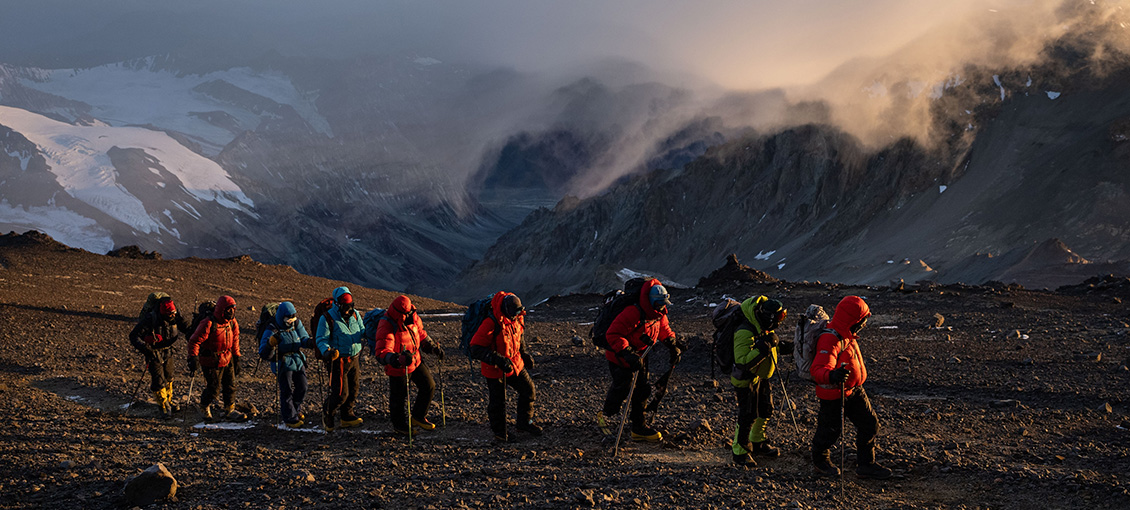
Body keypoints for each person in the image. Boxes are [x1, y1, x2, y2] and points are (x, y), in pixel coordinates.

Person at [809, 295, 892, 479]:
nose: (863, 324)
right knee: (830, 431)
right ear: (852, 319)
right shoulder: (830, 339)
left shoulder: (848, 335)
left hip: (853, 390)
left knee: (869, 424)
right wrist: (832, 375)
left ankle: (866, 465)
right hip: (833, 394)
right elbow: (817, 369)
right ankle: (820, 461)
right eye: (862, 320)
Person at [597, 278, 683, 442]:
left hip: (641, 354)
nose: (662, 307)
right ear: (651, 301)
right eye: (659, 304)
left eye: (663, 304)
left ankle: (639, 426)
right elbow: (613, 334)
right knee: (623, 386)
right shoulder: (633, 312)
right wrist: (627, 352)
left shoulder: (658, 312)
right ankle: (607, 414)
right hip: (619, 356)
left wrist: (672, 343)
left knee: (642, 389)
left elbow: (663, 328)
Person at [469, 291, 541, 441]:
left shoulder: (517, 317)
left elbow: (519, 336)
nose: (515, 316)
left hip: (515, 363)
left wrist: (524, 354)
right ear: (506, 309)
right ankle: (501, 433)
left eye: (517, 312)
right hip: (495, 369)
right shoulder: (491, 322)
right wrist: (497, 359)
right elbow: (475, 347)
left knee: (528, 390)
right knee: (498, 401)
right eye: (513, 313)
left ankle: (524, 423)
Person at [729, 296, 793, 465]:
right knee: (748, 414)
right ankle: (740, 451)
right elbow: (743, 361)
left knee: (765, 409)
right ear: (769, 316)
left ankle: (757, 441)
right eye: (780, 317)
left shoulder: (763, 326)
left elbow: (768, 342)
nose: (781, 321)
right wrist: (763, 348)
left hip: (761, 375)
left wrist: (781, 346)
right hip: (745, 379)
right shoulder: (745, 331)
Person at [373, 295, 444, 435]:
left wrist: (431, 347)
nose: (411, 314)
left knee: (429, 385)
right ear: (400, 313)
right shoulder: (387, 323)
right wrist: (397, 359)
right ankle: (399, 425)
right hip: (399, 367)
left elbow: (420, 333)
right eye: (408, 313)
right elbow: (382, 351)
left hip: (415, 360)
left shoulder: (412, 316)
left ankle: (418, 416)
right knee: (399, 397)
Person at [129, 296, 191, 419]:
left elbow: (186, 328)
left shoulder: (174, 317)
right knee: (158, 380)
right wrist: (145, 348)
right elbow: (133, 336)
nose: (173, 316)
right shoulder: (150, 319)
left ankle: (168, 400)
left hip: (168, 351)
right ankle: (163, 405)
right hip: (153, 352)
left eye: (174, 313)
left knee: (169, 376)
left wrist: (192, 333)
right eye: (171, 314)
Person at [315, 286, 365, 432]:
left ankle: (347, 416)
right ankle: (328, 414)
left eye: (350, 306)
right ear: (337, 304)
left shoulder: (355, 315)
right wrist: (328, 351)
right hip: (338, 360)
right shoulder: (327, 318)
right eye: (345, 306)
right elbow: (321, 339)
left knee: (354, 389)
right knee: (340, 393)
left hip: (354, 357)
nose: (348, 309)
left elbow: (361, 330)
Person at [187, 295, 245, 421]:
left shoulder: (232, 322)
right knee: (214, 387)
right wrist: (193, 357)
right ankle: (204, 406)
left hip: (227, 356)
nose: (232, 312)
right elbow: (194, 341)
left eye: (233, 309)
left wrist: (236, 357)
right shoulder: (208, 323)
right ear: (222, 309)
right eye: (229, 309)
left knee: (230, 384)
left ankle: (229, 409)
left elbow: (235, 339)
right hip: (210, 360)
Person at [258, 302, 315, 428]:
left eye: (292, 319)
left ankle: (295, 409)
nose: (290, 321)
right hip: (282, 363)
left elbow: (303, 338)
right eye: (288, 319)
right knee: (286, 390)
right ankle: (290, 417)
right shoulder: (272, 328)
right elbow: (263, 352)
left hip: (297, 360)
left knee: (303, 386)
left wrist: (310, 342)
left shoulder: (296, 323)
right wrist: (270, 344)